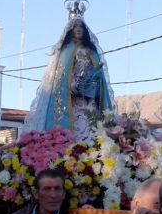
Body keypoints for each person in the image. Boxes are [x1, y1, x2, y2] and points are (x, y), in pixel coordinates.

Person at [22, 8, 114, 142]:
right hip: (71, 100)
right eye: (75, 26)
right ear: (70, 30)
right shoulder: (65, 51)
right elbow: (60, 75)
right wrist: (70, 85)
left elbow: (99, 75)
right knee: (75, 131)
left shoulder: (92, 51)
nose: (78, 29)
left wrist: (94, 81)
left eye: (81, 27)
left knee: (92, 130)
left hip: (89, 100)